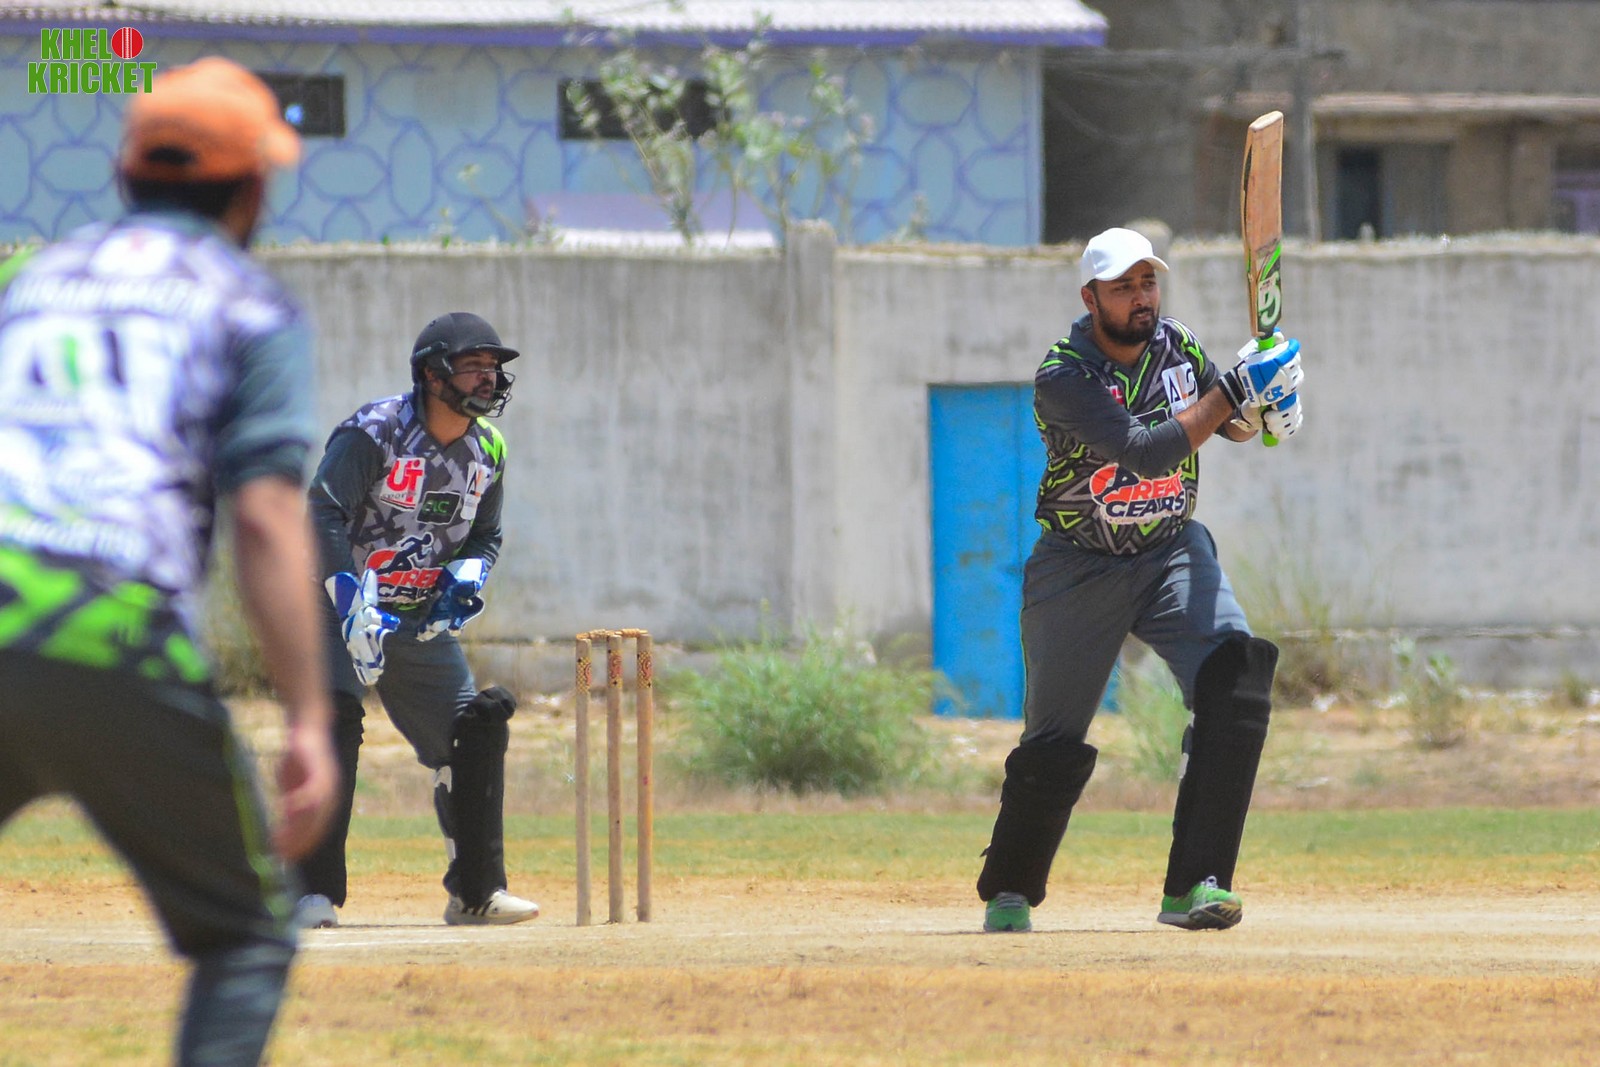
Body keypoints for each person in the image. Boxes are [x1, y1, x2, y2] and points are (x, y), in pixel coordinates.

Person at [0, 58, 338, 1066]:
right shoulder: (248, 307)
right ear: (253, 191)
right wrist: (309, 717)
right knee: (245, 935)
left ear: (124, 173)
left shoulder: (31, 282)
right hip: (111, 629)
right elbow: (266, 515)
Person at [976, 227, 1303, 934]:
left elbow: (1225, 424)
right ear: (1090, 297)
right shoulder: (1064, 376)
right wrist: (1235, 389)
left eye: (1148, 282)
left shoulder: (1178, 346)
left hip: (1169, 551)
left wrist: (1265, 404)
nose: (1140, 297)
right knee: (1052, 744)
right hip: (1078, 564)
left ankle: (1196, 886)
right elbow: (1145, 452)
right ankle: (1010, 887)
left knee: (1237, 680)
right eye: (1123, 287)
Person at [293, 310, 540, 928]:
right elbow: (321, 512)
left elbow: (485, 535)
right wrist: (349, 601)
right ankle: (308, 894)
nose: (488, 379)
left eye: (493, 368)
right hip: (333, 609)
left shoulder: (489, 449)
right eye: (473, 366)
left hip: (418, 614)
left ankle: (477, 892)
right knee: (333, 724)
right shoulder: (374, 431)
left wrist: (467, 578)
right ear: (432, 374)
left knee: (472, 732)